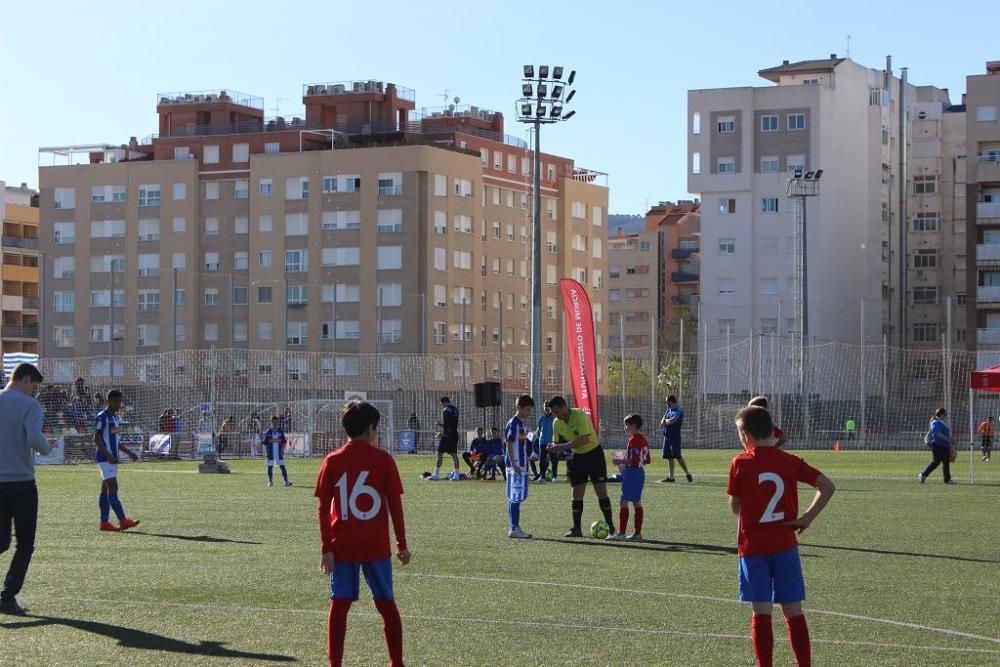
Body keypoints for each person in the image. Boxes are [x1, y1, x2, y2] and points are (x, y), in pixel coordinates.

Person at [728, 405, 836, 667]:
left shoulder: (740, 463)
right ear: (771, 431)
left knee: (761, 612)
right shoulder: (790, 461)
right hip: (785, 545)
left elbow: (735, 508)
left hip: (753, 548)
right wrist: (807, 518)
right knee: (793, 611)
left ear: (746, 436)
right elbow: (827, 485)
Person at [315, 400, 410, 667]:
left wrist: (326, 548)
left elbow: (323, 508)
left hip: (342, 545)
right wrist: (401, 544)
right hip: (376, 546)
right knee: (386, 604)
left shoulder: (332, 460)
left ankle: (335, 664)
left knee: (340, 605)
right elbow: (395, 506)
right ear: (371, 429)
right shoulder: (384, 460)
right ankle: (396, 662)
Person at [0, 363, 50, 615]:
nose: (34, 392)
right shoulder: (29, 405)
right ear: (27, 380)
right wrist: (46, 447)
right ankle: (7, 598)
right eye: (34, 387)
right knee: (24, 544)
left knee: (1, 542)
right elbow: (33, 438)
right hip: (20, 483)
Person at [547, 395, 616, 537]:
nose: (555, 415)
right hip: (577, 457)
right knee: (576, 494)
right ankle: (576, 529)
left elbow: (585, 439)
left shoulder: (579, 415)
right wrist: (552, 448)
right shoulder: (556, 423)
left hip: (594, 455)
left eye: (556, 411)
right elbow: (556, 442)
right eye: (553, 412)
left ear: (564, 406)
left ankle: (612, 529)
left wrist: (563, 446)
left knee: (601, 492)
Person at [95, 390, 141, 532]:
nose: (118, 404)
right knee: (113, 487)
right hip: (105, 459)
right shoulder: (102, 417)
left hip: (112, 460)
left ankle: (104, 523)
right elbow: (96, 438)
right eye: (116, 401)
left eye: (119, 401)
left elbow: (116, 441)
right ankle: (123, 520)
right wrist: (108, 455)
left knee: (105, 490)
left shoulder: (115, 418)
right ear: (108, 401)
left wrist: (129, 453)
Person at [608, 413, 650, 542]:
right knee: (636, 502)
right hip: (639, 472)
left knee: (624, 501)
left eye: (626, 425)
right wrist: (624, 459)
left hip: (632, 473)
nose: (625, 428)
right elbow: (646, 459)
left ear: (633, 425)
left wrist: (620, 461)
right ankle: (637, 534)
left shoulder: (634, 440)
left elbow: (635, 458)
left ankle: (621, 533)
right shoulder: (643, 439)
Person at [504, 395, 535, 539]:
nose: (529, 412)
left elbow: (523, 443)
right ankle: (514, 528)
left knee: (516, 497)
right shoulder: (514, 423)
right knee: (514, 497)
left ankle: (514, 527)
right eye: (527, 409)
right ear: (519, 408)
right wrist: (514, 464)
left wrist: (533, 436)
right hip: (515, 465)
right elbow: (509, 443)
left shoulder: (523, 424)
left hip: (521, 464)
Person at [659, 395, 693, 482]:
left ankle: (687, 473)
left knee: (677, 456)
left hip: (675, 437)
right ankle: (671, 477)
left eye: (667, 401)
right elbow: (662, 422)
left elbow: (672, 420)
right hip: (667, 437)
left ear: (671, 401)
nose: (666, 403)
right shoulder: (668, 411)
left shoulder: (679, 410)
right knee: (669, 457)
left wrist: (666, 421)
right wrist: (666, 421)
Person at [920, 408, 956, 485]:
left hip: (945, 446)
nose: (946, 416)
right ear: (942, 414)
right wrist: (948, 439)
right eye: (945, 414)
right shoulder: (935, 422)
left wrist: (950, 444)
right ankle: (923, 475)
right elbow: (937, 433)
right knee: (936, 462)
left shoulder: (941, 422)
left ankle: (947, 480)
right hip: (938, 445)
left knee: (946, 463)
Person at [432, 397, 460, 481]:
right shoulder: (455, 409)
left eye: (442, 404)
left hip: (447, 436)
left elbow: (447, 425)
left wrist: (440, 430)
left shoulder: (446, 410)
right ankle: (457, 476)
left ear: (443, 402)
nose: (442, 406)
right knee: (454, 455)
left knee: (439, 454)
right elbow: (453, 424)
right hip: (454, 435)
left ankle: (436, 474)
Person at [263, 416, 292, 487]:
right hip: (271, 452)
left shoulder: (280, 431)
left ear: (278, 422)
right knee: (270, 466)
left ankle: (286, 481)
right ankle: (270, 481)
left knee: (282, 466)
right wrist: (266, 452)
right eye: (273, 421)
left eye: (276, 421)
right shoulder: (268, 432)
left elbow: (283, 442)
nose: (274, 423)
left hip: (278, 452)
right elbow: (265, 442)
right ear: (271, 422)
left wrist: (282, 450)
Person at [535, 401, 558, 483]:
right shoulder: (541, 418)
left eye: (548, 406)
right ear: (543, 407)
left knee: (554, 460)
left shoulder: (555, 418)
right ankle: (542, 477)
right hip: (542, 443)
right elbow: (540, 430)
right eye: (545, 406)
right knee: (542, 461)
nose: (546, 407)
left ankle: (554, 477)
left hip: (552, 443)